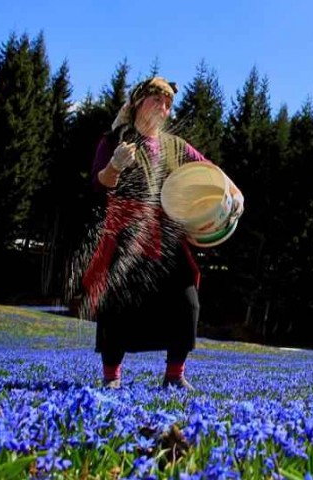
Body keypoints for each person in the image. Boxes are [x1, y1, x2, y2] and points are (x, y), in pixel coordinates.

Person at [81, 76, 232, 391]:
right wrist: (114, 166)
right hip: (126, 233)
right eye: (156, 100)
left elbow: (210, 172)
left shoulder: (176, 146)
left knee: (186, 301)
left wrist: (236, 192)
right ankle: (111, 377)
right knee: (118, 306)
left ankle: (174, 375)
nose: (163, 108)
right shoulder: (114, 140)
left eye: (167, 103)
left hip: (167, 233)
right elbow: (99, 184)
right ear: (138, 103)